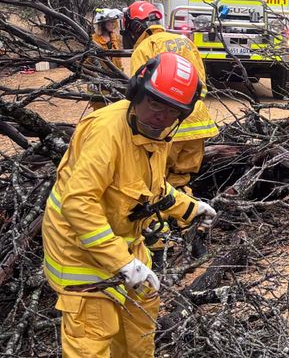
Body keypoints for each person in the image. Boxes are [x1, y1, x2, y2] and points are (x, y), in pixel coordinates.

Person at [42, 53, 218, 357]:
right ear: (137, 93)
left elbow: (148, 188)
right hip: (79, 253)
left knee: (140, 324)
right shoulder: (106, 132)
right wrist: (120, 262)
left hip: (124, 242)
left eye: (172, 110)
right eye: (155, 103)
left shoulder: (158, 134)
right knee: (93, 337)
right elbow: (77, 202)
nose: (161, 116)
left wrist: (189, 209)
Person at [124, 1, 219, 263]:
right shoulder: (184, 42)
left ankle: (158, 248)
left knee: (156, 186)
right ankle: (196, 241)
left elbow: (140, 94)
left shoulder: (144, 48)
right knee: (181, 182)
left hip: (167, 127)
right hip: (196, 122)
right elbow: (201, 85)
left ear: (134, 26)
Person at [87, 8, 124, 111]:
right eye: (110, 22)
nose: (113, 24)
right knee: (99, 111)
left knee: (116, 110)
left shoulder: (116, 38)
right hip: (99, 81)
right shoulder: (93, 40)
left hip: (115, 80)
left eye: (114, 21)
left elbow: (118, 61)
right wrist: (91, 80)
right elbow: (88, 63)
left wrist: (121, 77)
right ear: (102, 24)